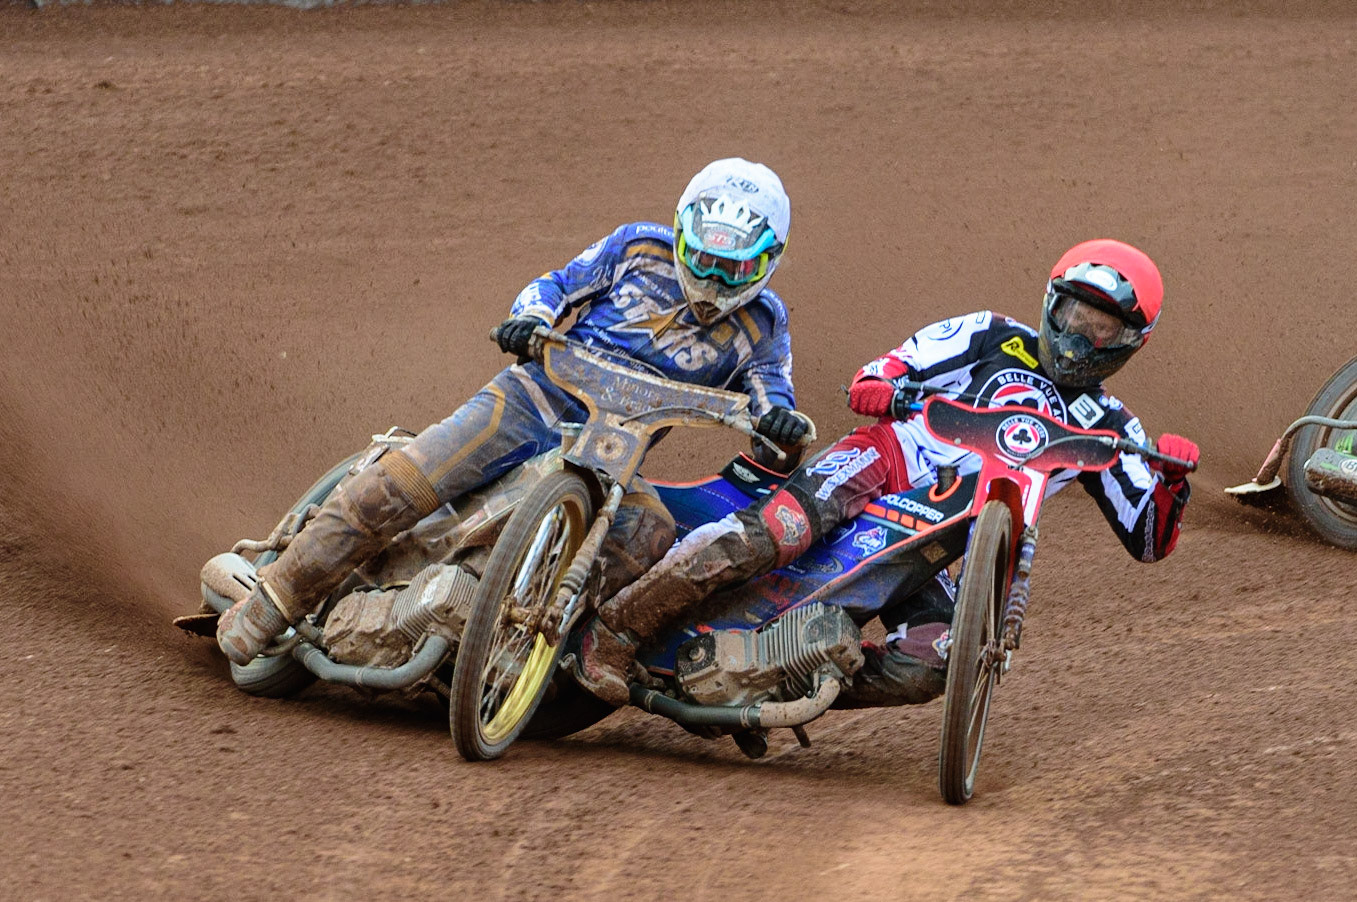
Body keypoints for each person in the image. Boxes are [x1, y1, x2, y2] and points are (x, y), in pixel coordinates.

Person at [217, 157, 813, 666]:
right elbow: (556, 285)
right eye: (703, 259)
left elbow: (771, 399)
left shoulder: (766, 324)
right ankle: (273, 601)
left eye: (733, 269)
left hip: (614, 451)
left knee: (651, 530)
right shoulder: (637, 248)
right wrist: (531, 320)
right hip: (534, 398)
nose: (712, 282)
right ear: (682, 233)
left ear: (769, 261)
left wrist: (781, 428)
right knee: (405, 482)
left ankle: (534, 638)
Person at [575, 238, 1200, 707]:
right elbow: (885, 370)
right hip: (886, 460)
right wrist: (883, 386)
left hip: (948, 535)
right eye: (1071, 315)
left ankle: (773, 678)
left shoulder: (1116, 429)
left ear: (1130, 341)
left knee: (937, 659)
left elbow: (1147, 538)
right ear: (1050, 303)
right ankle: (613, 634)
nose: (1078, 337)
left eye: (1101, 328)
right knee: (771, 533)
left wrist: (1173, 480)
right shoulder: (987, 334)